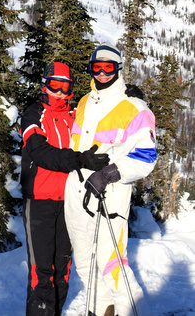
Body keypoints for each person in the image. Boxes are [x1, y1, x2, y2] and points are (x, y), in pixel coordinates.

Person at [64, 43, 157, 316]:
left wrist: (109, 173)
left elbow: (146, 157)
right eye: (97, 67)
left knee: (111, 262)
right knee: (83, 261)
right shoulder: (84, 101)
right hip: (77, 189)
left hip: (109, 192)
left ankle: (132, 310)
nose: (102, 73)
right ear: (90, 68)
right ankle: (99, 310)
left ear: (118, 69)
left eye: (109, 68)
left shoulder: (134, 107)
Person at [20, 62, 109, 316]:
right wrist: (78, 160)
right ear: (44, 84)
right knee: (42, 273)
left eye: (65, 86)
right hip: (40, 201)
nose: (59, 92)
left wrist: (129, 99)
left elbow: (103, 118)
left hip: (69, 201)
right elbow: (40, 152)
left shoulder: (75, 116)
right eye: (54, 85)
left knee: (63, 268)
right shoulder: (33, 114)